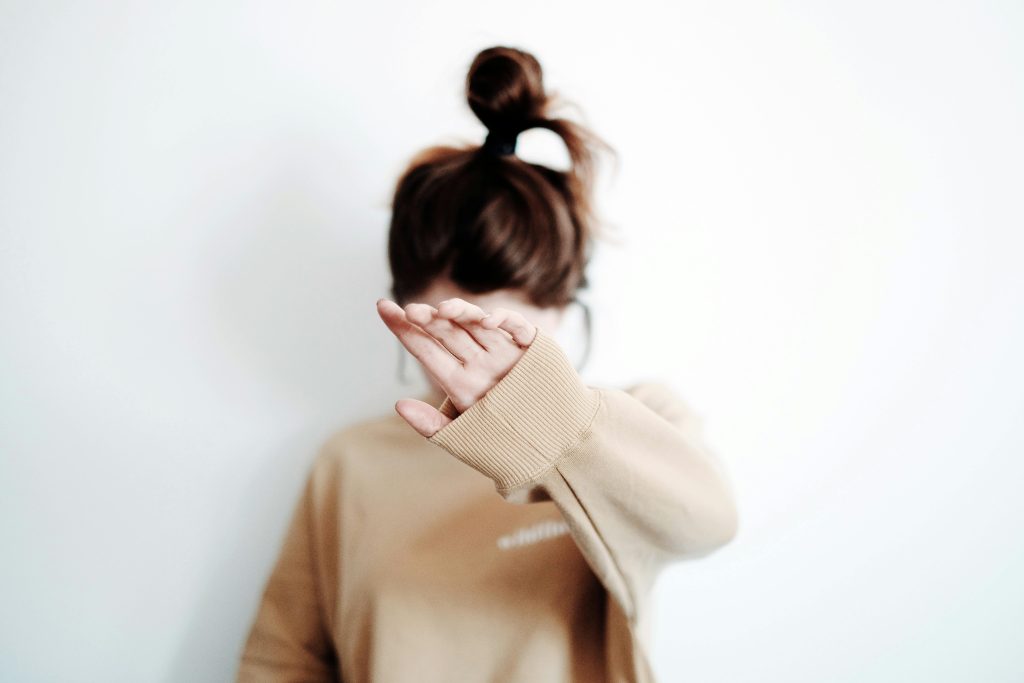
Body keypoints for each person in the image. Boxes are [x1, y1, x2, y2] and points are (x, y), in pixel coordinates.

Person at [235, 45, 739, 683]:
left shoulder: (630, 425)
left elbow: (710, 524)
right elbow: (282, 661)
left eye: (508, 335)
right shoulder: (348, 464)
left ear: (562, 314)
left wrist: (548, 417)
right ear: (406, 314)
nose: (475, 357)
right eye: (449, 329)